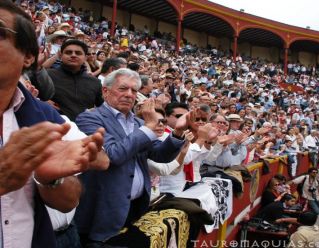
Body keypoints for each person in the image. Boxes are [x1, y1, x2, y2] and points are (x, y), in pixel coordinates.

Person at [0, 1, 109, 247]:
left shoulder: (43, 116)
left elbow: (69, 200)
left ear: (27, 56)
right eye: (67, 52)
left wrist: (51, 179)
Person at [75, 68, 186, 246]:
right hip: (104, 212)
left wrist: (178, 133)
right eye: (123, 89)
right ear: (105, 91)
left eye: (134, 91)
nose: (129, 94)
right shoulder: (89, 119)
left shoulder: (139, 123)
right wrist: (148, 128)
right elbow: (113, 155)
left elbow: (160, 155)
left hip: (136, 207)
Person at [47, 39, 104, 121]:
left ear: (85, 58)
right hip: (54, 127)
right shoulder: (47, 75)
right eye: (68, 52)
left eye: (78, 53)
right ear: (61, 56)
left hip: (86, 129)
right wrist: (41, 101)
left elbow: (102, 108)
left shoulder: (95, 82)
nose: (73, 55)